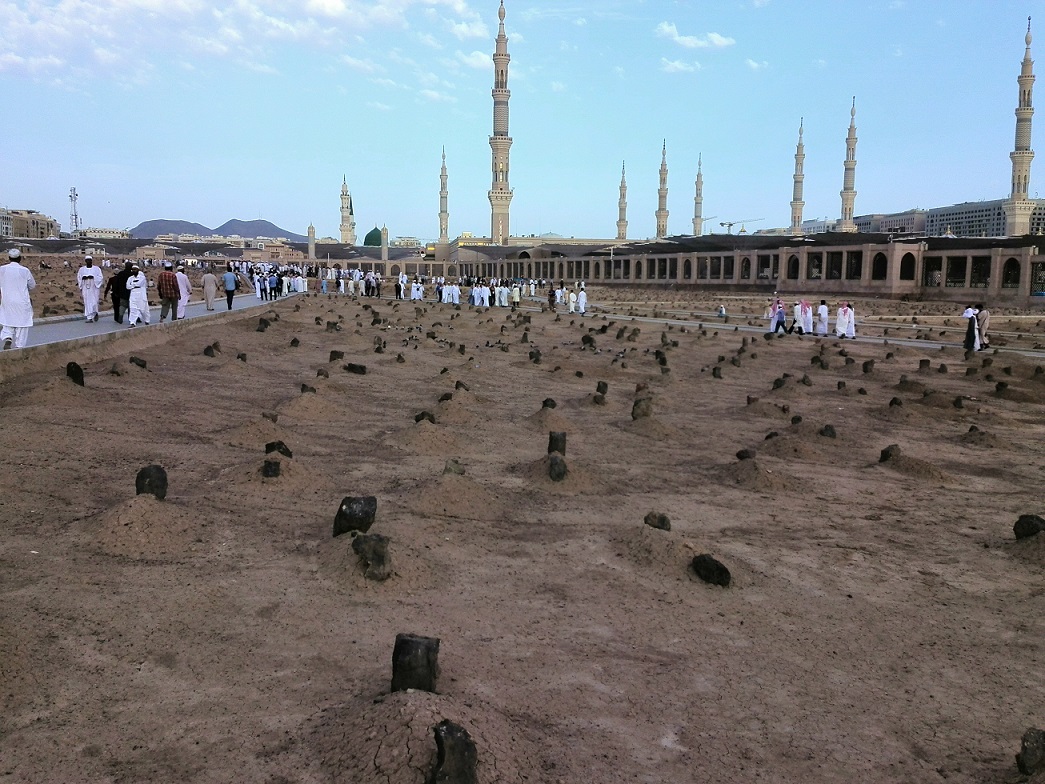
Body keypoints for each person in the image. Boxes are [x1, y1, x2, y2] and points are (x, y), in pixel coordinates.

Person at [0, 248, 36, 350]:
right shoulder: (25, 270)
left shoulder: (2, 269)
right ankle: (19, 347)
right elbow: (32, 285)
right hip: (22, 301)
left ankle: (8, 337)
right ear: (20, 258)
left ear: (9, 258)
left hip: (7, 300)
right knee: (22, 324)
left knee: (8, 321)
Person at [76, 255, 104, 323]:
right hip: (85, 287)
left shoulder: (96, 269)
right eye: (87, 260)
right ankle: (89, 317)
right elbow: (79, 277)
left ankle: (95, 312)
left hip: (94, 287)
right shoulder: (82, 269)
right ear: (85, 261)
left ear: (91, 261)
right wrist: (83, 278)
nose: (88, 261)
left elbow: (100, 277)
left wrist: (93, 277)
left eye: (90, 260)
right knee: (87, 302)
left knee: (94, 301)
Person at [125, 263, 150, 327]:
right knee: (133, 309)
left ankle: (147, 320)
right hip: (133, 296)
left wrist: (132, 285)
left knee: (143, 310)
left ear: (138, 270)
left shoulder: (142, 277)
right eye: (133, 269)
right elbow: (127, 286)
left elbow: (139, 284)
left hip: (141, 296)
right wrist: (134, 286)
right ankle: (132, 322)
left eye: (135, 269)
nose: (134, 271)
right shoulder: (130, 278)